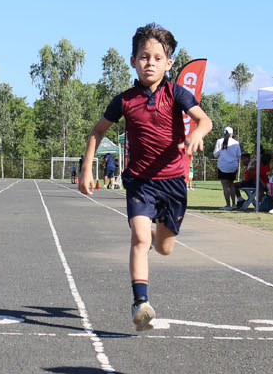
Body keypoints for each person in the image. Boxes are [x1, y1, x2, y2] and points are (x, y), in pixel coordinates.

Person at [78, 23, 212, 331]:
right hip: (139, 181)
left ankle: (156, 234)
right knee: (138, 237)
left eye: (156, 57)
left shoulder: (176, 93)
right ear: (133, 61)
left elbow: (205, 120)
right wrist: (87, 169)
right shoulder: (124, 100)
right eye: (143, 56)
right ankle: (140, 303)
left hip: (173, 182)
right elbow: (97, 132)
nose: (149, 62)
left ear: (169, 64)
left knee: (164, 247)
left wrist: (197, 135)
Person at [211, 126, 241, 210]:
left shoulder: (219, 141)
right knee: (231, 185)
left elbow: (215, 154)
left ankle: (228, 205)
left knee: (225, 186)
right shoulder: (236, 142)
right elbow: (239, 155)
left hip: (223, 166)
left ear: (224, 133)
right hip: (233, 166)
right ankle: (234, 204)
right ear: (232, 134)